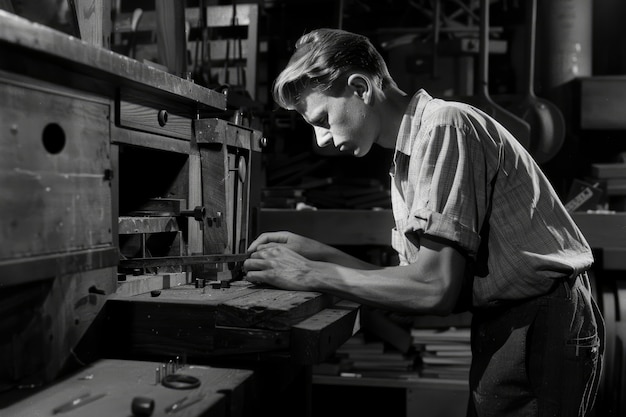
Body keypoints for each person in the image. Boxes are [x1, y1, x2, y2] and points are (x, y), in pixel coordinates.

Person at [242, 28, 604, 417]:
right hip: (509, 321)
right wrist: (319, 253)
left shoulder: (445, 126)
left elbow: (434, 291)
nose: (322, 141)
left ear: (361, 88)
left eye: (323, 119)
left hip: (540, 323)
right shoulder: (406, 158)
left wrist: (309, 274)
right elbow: (414, 284)